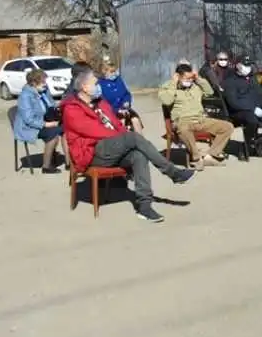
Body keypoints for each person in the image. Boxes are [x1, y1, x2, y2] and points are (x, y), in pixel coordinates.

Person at [61, 68, 195, 223]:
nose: (99, 86)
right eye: (95, 83)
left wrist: (124, 135)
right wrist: (125, 137)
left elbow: (117, 125)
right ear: (84, 87)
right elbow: (96, 132)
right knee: (133, 138)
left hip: (112, 148)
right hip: (92, 153)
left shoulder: (101, 103)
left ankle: (144, 206)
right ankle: (172, 172)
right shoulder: (72, 109)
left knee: (138, 155)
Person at [158, 61, 234, 168]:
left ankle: (211, 156)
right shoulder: (167, 87)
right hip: (183, 121)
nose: (189, 81)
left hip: (200, 119)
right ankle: (196, 158)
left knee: (227, 127)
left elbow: (209, 92)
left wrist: (198, 78)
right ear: (178, 77)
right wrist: (173, 84)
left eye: (191, 78)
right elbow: (167, 101)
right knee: (183, 130)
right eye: (186, 78)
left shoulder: (195, 86)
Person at [222, 56, 262, 157]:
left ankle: (260, 142)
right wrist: (252, 109)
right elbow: (233, 102)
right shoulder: (230, 81)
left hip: (257, 110)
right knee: (252, 120)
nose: (248, 67)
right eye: (245, 65)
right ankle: (246, 148)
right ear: (238, 65)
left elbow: (261, 95)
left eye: (249, 65)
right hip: (239, 112)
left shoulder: (252, 78)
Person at [13, 69, 64, 174]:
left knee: (64, 128)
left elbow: (51, 104)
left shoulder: (43, 91)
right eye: (43, 82)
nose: (45, 84)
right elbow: (29, 119)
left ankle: (65, 161)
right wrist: (47, 124)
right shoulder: (25, 96)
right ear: (33, 83)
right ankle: (46, 167)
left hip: (42, 120)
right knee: (53, 135)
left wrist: (63, 103)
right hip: (28, 127)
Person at [97, 60, 143, 132]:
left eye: (115, 71)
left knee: (136, 120)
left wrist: (127, 101)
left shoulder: (119, 80)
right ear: (104, 72)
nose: (114, 73)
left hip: (125, 108)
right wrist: (117, 110)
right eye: (111, 72)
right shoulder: (100, 85)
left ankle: (141, 141)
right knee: (122, 122)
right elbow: (103, 104)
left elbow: (127, 94)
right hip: (112, 112)